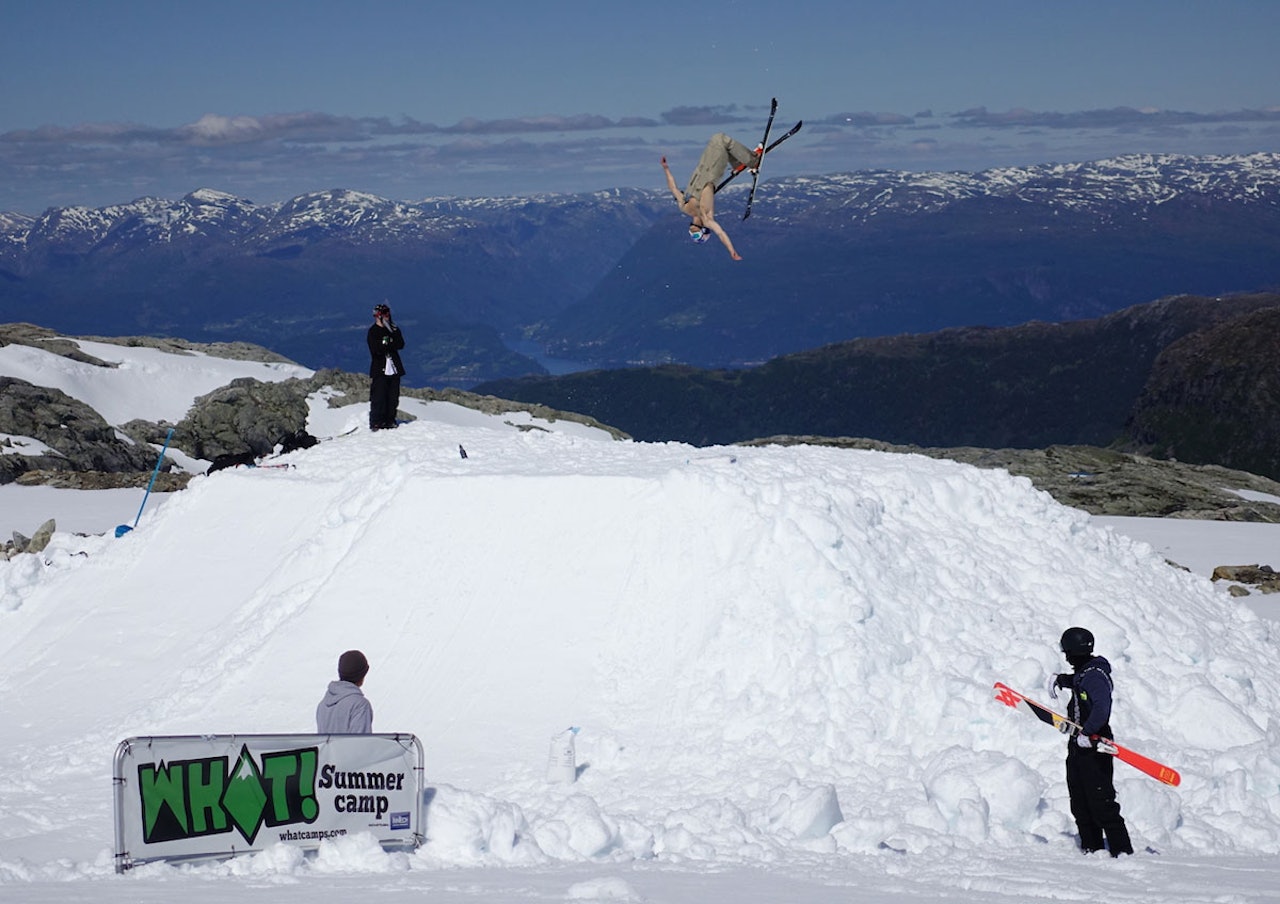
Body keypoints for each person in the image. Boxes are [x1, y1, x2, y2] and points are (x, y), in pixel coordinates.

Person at [1050, 627, 1134, 857]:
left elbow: (1102, 708)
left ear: (1072, 651)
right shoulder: (1084, 672)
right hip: (1079, 744)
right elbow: (1078, 680)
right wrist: (1061, 680)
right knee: (1079, 800)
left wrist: (1087, 732)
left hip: (1095, 744)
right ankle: (1092, 847)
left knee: (1101, 801)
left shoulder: (1095, 675)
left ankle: (1122, 852)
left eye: (1066, 651)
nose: (1065, 656)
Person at [661, 133, 761, 261]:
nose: (693, 232)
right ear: (704, 230)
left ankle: (740, 163)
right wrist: (732, 251)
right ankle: (753, 161)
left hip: (698, 174)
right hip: (711, 175)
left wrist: (666, 169)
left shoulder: (684, 207)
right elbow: (720, 233)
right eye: (696, 234)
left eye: (693, 234)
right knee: (721, 140)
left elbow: (673, 188)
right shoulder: (707, 218)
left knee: (717, 142)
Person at [367, 303, 405, 430]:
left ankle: (390, 419)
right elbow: (376, 349)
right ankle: (377, 421)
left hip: (394, 368)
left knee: (393, 396)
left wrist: (389, 341)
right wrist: (387, 342)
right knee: (379, 396)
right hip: (380, 368)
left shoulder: (393, 329)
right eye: (384, 314)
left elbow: (400, 343)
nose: (387, 317)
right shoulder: (373, 332)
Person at [316, 649, 373, 734]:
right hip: (349, 747)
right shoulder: (360, 705)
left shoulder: (323, 705)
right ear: (363, 674)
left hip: (329, 748)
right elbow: (361, 743)